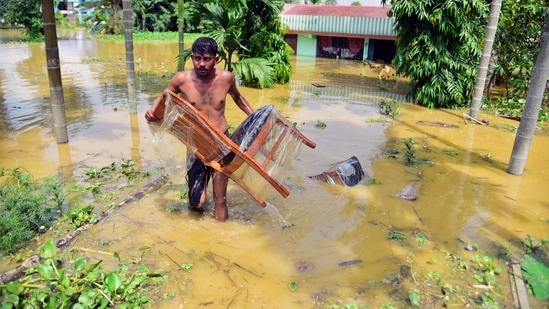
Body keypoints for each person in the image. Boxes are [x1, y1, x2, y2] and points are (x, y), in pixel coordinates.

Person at [145, 37, 254, 222]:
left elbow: (238, 98)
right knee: (198, 201)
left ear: (216, 59)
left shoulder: (226, 78)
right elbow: (165, 97)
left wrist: (254, 116)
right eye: (197, 58)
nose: (201, 64)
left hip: (222, 143)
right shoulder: (181, 79)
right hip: (196, 144)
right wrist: (152, 111)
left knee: (220, 200)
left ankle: (220, 237)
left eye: (207, 59)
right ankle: (195, 219)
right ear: (192, 58)